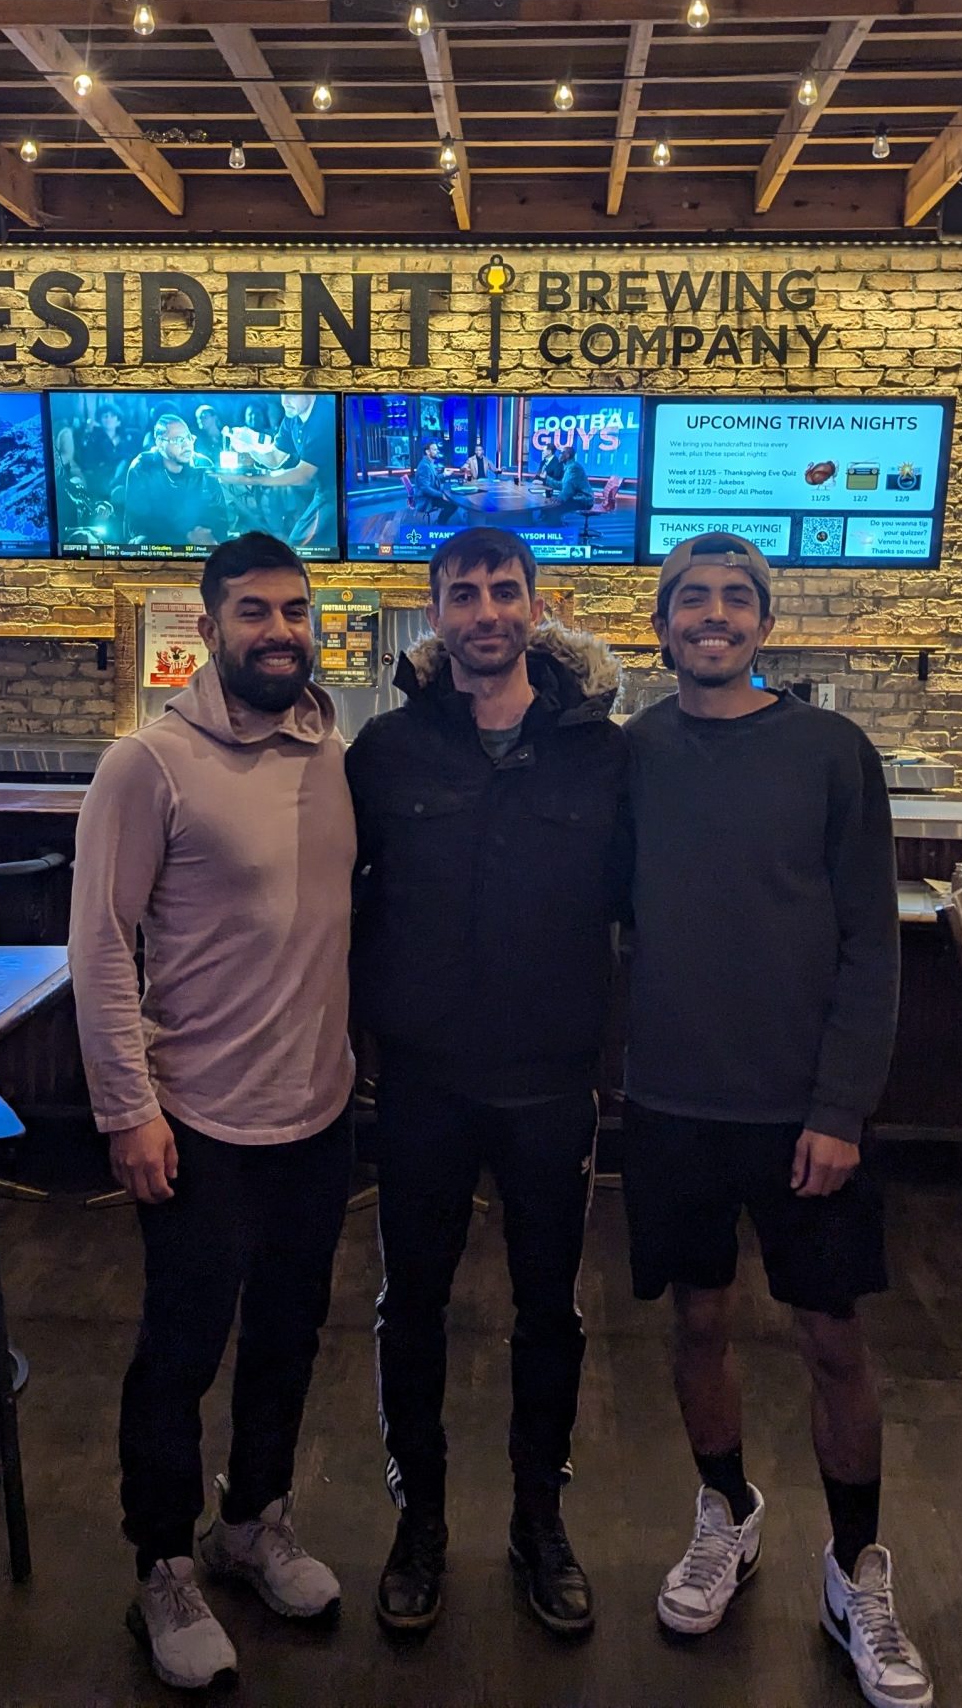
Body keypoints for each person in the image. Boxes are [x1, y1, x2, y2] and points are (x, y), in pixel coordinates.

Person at [624, 531, 931, 1708]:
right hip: (671, 1101)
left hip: (805, 1112)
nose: (713, 614)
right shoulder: (636, 752)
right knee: (696, 1318)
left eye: (734, 598)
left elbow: (869, 940)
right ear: (662, 625)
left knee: (832, 1338)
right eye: (691, 598)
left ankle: (855, 1569)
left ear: (763, 621)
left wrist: (841, 1105)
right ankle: (725, 1511)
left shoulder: (831, 752)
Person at [69, 532, 359, 1692]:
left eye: (294, 609)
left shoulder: (330, 746)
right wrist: (126, 1109)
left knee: (289, 1333)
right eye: (253, 610)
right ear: (209, 626)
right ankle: (161, 1562)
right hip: (194, 1117)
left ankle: (251, 1522)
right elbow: (99, 942)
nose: (278, 630)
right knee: (180, 1350)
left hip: (318, 1111)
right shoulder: (148, 762)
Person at [347, 526, 627, 1638]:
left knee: (549, 1308)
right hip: (422, 1079)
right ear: (436, 612)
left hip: (552, 1078)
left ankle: (537, 1519)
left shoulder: (602, 752)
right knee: (410, 1305)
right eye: (462, 594)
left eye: (504, 590)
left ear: (536, 605)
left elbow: (642, 902)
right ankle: (418, 1521)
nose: (485, 612)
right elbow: (340, 899)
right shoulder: (384, 751)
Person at [117, 413, 227, 550]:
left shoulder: (203, 465)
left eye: (189, 438)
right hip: (159, 545)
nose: (187, 445)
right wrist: (186, 537)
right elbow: (136, 525)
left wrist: (209, 535)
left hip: (199, 542)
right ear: (160, 443)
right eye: (178, 440)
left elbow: (219, 515)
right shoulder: (142, 467)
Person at [409, 442, 460, 522]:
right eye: (435, 449)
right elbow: (425, 488)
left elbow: (433, 479)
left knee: (450, 496)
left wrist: (444, 474)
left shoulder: (429, 463)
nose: (437, 451)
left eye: (437, 449)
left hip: (429, 495)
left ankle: (440, 521)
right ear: (427, 452)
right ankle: (440, 523)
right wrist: (441, 495)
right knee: (453, 504)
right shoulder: (424, 466)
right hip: (426, 499)